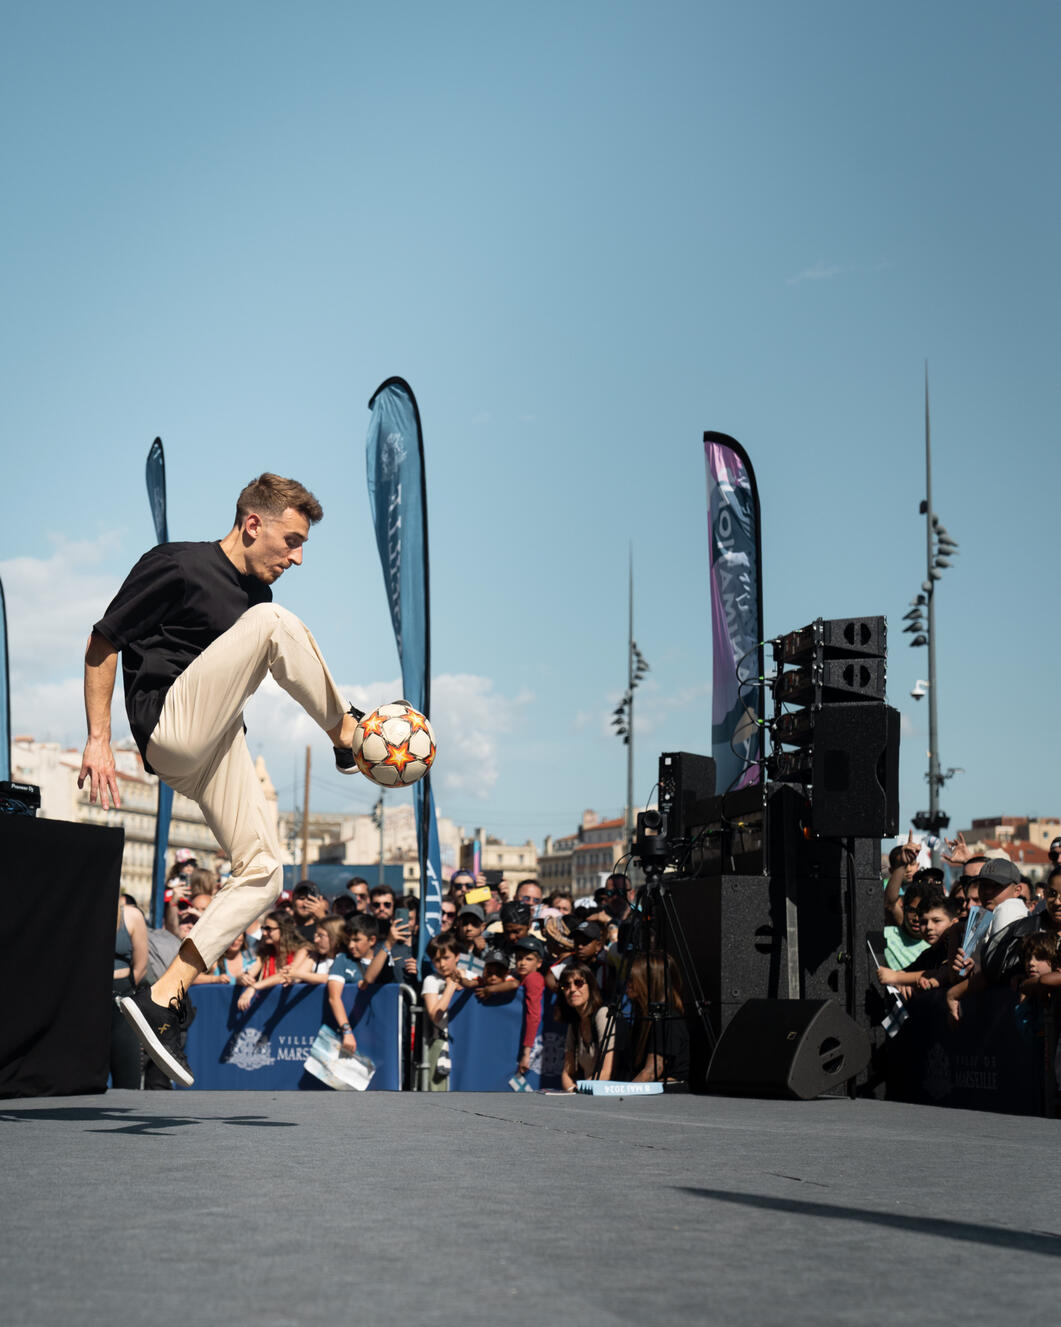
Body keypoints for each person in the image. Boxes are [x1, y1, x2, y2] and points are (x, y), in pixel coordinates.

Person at [79, 473, 370, 1086]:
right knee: (273, 626)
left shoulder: (254, 595)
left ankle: (160, 999)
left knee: (266, 872)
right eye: (291, 541)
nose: (296, 558)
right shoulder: (178, 565)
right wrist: (99, 739)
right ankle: (347, 734)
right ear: (252, 523)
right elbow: (103, 641)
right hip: (169, 727)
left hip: (217, 746)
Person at [627, 951, 689, 1085]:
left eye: (632, 979)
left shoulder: (667, 1020)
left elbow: (651, 1072)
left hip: (671, 1098)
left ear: (650, 982)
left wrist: (619, 1099)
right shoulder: (645, 1019)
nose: (628, 983)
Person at [111, 895, 149, 1088]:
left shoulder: (131, 915)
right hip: (88, 995)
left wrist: (126, 990)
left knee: (127, 1070)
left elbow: (141, 963)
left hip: (121, 992)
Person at [559, 963, 616, 1090]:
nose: (572, 989)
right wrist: (572, 1090)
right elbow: (567, 1072)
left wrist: (580, 1090)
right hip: (587, 1095)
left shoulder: (603, 1014)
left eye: (578, 983)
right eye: (566, 985)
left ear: (591, 986)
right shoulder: (574, 1024)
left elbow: (606, 1073)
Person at [421, 931, 463, 1089]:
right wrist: (450, 987)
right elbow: (435, 1016)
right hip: (441, 1044)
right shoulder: (431, 980)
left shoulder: (469, 975)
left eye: (446, 958)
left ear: (457, 956)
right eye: (437, 960)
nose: (442, 964)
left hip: (465, 1043)